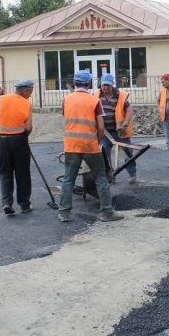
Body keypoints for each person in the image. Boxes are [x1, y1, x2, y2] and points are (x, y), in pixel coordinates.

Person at [58, 70, 123, 223]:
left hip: (71, 145)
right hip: (90, 145)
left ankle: (64, 213)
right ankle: (107, 212)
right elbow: (101, 127)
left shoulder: (66, 100)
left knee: (68, 179)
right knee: (100, 177)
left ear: (75, 83)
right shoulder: (94, 101)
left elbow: (66, 120)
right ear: (89, 84)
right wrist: (98, 141)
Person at [0, 79, 34, 215]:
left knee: (5, 173)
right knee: (23, 174)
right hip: (20, 141)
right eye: (30, 91)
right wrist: (24, 136)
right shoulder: (27, 103)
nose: (30, 95)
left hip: (4, 142)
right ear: (25, 91)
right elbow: (29, 127)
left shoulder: (2, 99)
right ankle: (24, 205)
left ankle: (6, 203)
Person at [93, 73, 137, 184]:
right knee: (104, 155)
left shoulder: (119, 95)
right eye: (103, 85)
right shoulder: (96, 95)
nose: (105, 87)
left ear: (112, 84)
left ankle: (132, 174)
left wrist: (125, 123)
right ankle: (110, 176)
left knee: (127, 153)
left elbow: (129, 110)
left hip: (120, 131)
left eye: (107, 85)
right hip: (105, 132)